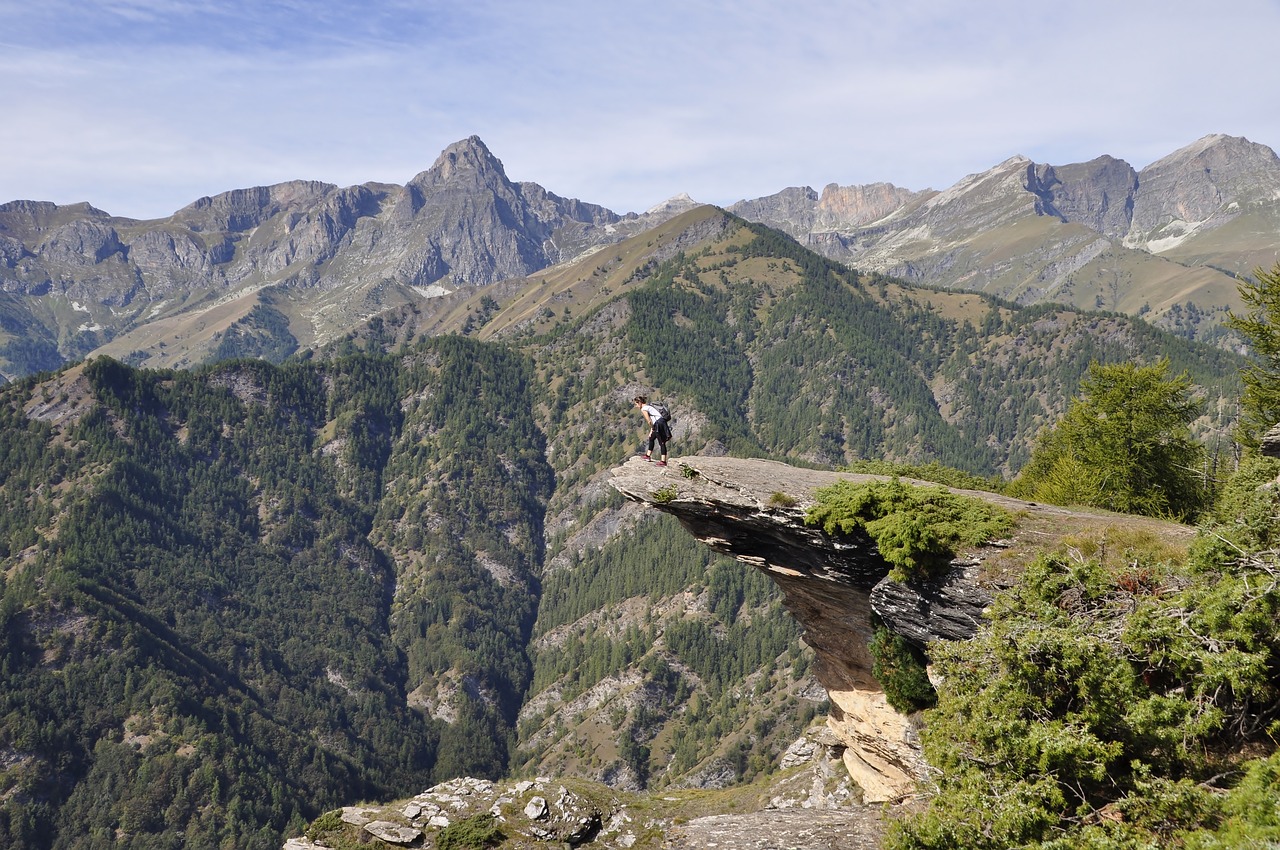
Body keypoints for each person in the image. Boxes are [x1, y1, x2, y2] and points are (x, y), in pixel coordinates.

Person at [633, 395, 671, 466]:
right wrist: (652, 430)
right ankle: (647, 456)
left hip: (658, 424)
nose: (636, 406)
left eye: (636, 404)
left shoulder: (644, 409)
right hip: (660, 423)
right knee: (651, 438)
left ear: (640, 402)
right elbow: (653, 419)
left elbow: (649, 421)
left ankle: (663, 461)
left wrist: (653, 428)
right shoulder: (649, 406)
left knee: (662, 442)